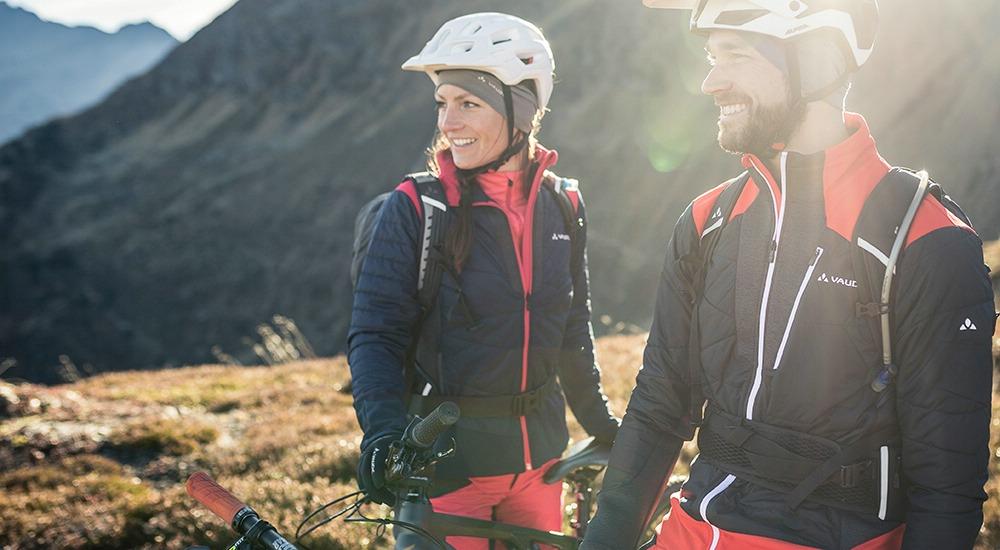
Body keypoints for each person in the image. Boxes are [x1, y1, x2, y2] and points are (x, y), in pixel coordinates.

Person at [582, 1, 996, 549]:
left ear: (816, 61)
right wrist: (605, 536)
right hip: (689, 531)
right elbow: (660, 405)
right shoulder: (710, 220)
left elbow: (946, 486)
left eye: (735, 56)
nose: (710, 82)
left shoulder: (924, 238)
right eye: (711, 57)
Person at [347, 12, 620, 549]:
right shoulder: (415, 208)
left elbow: (572, 327)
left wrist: (601, 422)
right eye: (442, 103)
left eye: (468, 103)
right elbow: (376, 334)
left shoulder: (563, 204)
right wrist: (381, 434)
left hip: (540, 465)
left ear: (521, 108)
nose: (448, 123)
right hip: (446, 473)